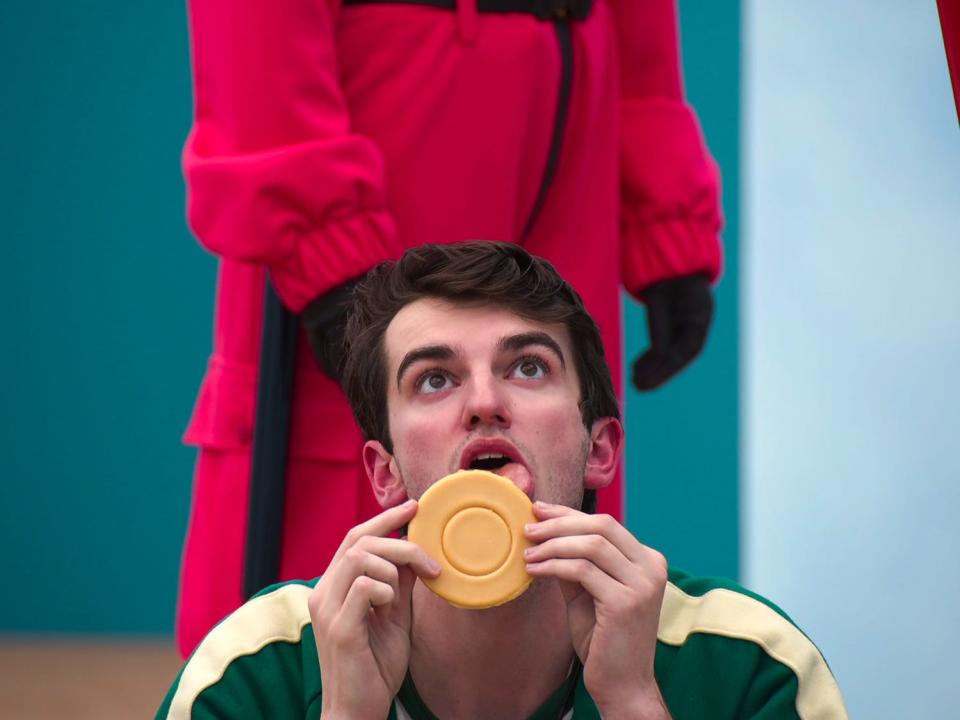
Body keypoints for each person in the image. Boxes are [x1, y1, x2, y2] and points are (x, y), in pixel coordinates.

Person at [176, 0, 723, 657]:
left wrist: (662, 207)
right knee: (361, 514)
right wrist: (317, 230)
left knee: (553, 494)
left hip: (581, 97)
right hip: (381, 91)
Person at [158, 243, 846, 719]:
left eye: (528, 368)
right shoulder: (250, 675)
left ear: (600, 449)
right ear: (385, 474)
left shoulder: (750, 668)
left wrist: (634, 703)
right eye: (434, 379)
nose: (484, 401)